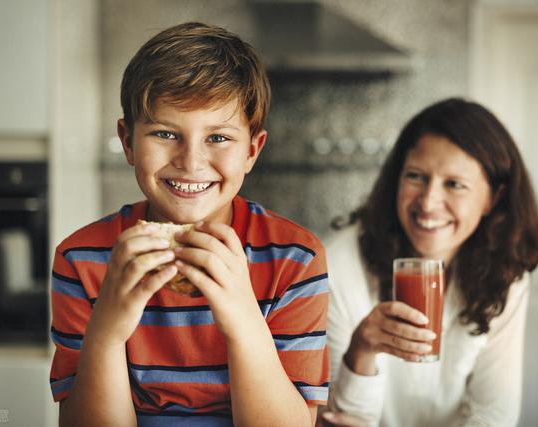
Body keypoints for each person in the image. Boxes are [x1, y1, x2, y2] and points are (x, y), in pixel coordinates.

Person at [49, 22, 329, 426]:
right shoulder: (83, 259)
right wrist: (106, 332)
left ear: (252, 150)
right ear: (128, 142)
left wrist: (243, 320)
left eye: (218, 138)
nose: (191, 161)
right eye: (165, 133)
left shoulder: (295, 260)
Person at [319, 98, 538, 427]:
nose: (428, 202)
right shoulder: (337, 266)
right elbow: (344, 420)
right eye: (415, 176)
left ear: (492, 199)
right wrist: (362, 350)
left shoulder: (505, 275)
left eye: (454, 184)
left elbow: (493, 415)